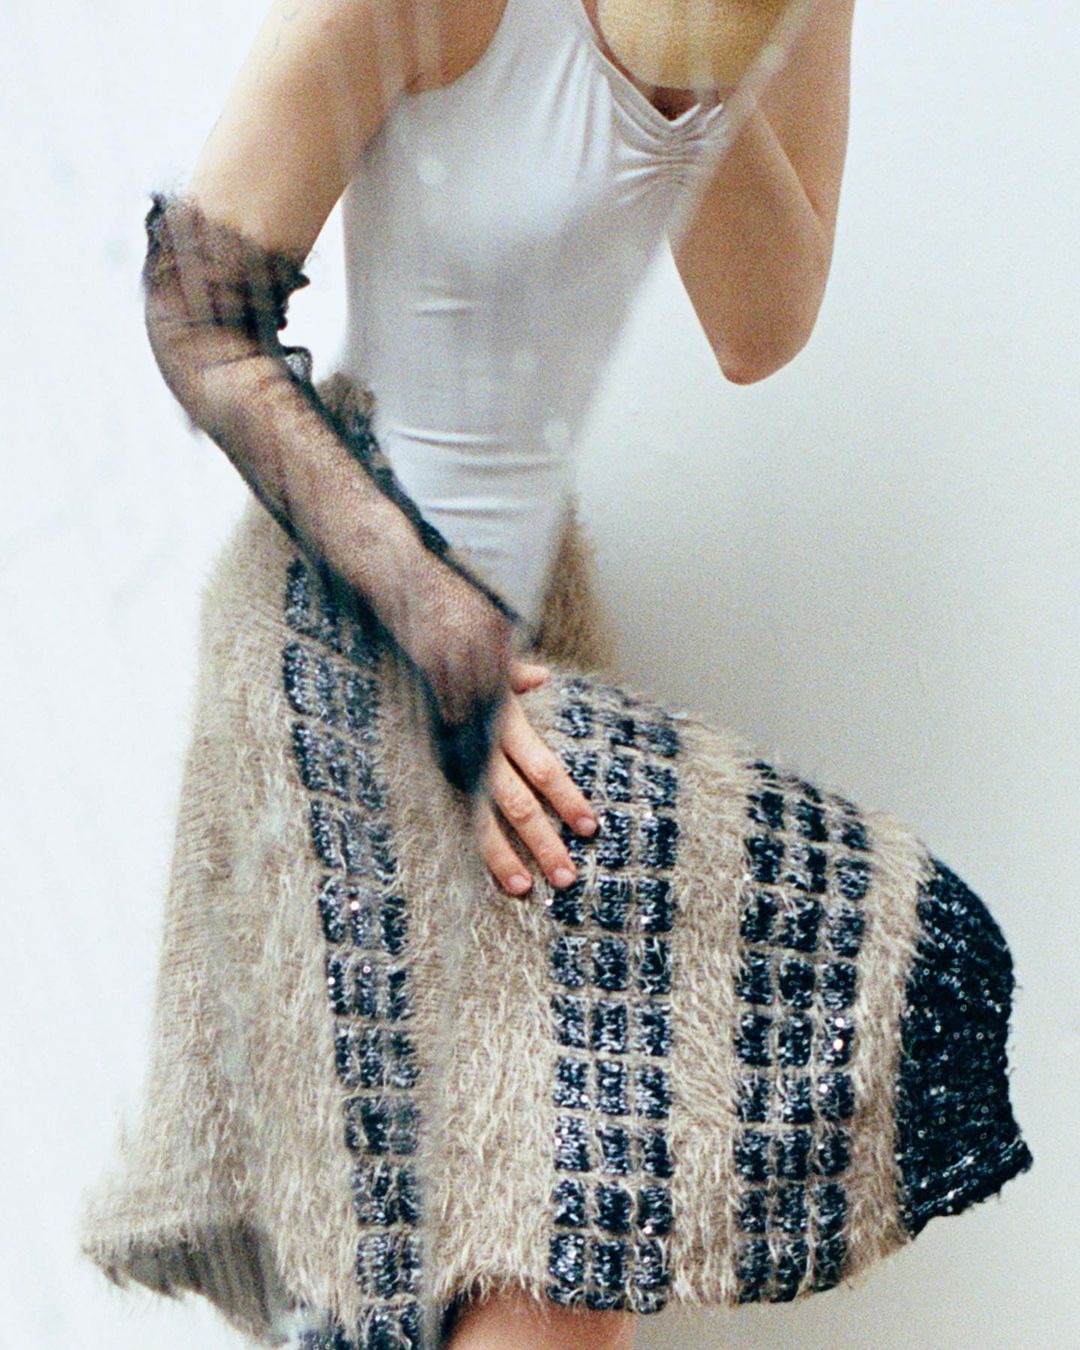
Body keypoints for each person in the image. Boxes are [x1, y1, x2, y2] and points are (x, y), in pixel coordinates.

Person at [78, 3, 1033, 1348]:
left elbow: (761, 328)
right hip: (357, 629)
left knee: (581, 1240)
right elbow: (196, 313)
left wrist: (707, 60)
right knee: (480, 1265)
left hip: (542, 644)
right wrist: (436, 628)